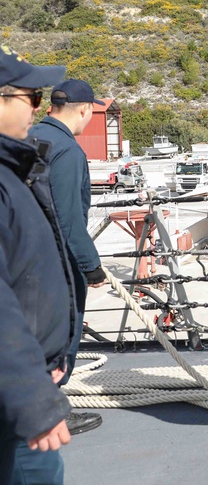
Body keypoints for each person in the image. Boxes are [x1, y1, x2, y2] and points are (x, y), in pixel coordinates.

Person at [0, 46, 75, 485]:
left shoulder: (13, 170)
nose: (39, 108)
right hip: (14, 410)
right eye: (31, 97)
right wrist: (33, 400)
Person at [29, 79, 107, 436]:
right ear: (85, 109)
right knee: (62, 336)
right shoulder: (67, 150)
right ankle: (49, 413)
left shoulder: (28, 138)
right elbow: (69, 218)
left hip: (25, 259)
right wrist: (91, 267)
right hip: (57, 263)